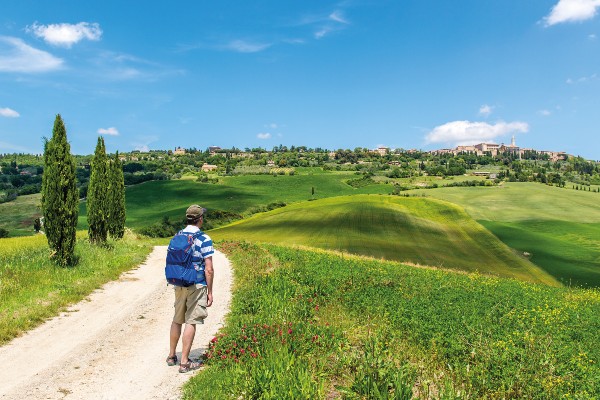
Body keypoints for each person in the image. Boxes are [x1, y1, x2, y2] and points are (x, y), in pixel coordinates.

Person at [166, 204, 214, 373]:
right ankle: (185, 362)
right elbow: (208, 268)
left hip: (178, 283)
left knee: (177, 319)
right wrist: (210, 291)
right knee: (191, 321)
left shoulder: (178, 235)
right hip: (197, 284)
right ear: (200, 219)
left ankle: (172, 355)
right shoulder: (204, 239)